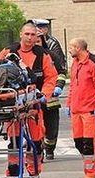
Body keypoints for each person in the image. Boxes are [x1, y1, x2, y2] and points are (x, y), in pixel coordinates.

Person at [0, 21, 57, 178]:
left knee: (35, 142)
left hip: (33, 104)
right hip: (14, 104)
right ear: (21, 34)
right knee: (14, 141)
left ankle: (34, 172)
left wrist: (45, 94)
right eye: (27, 34)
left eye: (33, 35)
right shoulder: (8, 51)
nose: (29, 38)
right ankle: (13, 173)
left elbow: (51, 77)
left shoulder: (42, 54)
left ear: (37, 37)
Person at [66, 38, 95, 178]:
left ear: (78, 48)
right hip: (76, 110)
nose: (69, 49)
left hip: (89, 110)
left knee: (88, 142)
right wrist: (69, 104)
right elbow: (72, 86)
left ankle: (90, 174)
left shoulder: (93, 63)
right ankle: (94, 162)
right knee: (78, 142)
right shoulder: (75, 64)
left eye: (71, 47)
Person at [33, 20, 68, 160]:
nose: (36, 45)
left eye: (38, 42)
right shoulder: (24, 58)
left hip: (50, 97)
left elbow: (61, 72)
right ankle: (38, 149)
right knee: (35, 127)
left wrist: (58, 86)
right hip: (32, 99)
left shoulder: (51, 56)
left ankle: (50, 149)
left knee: (51, 126)